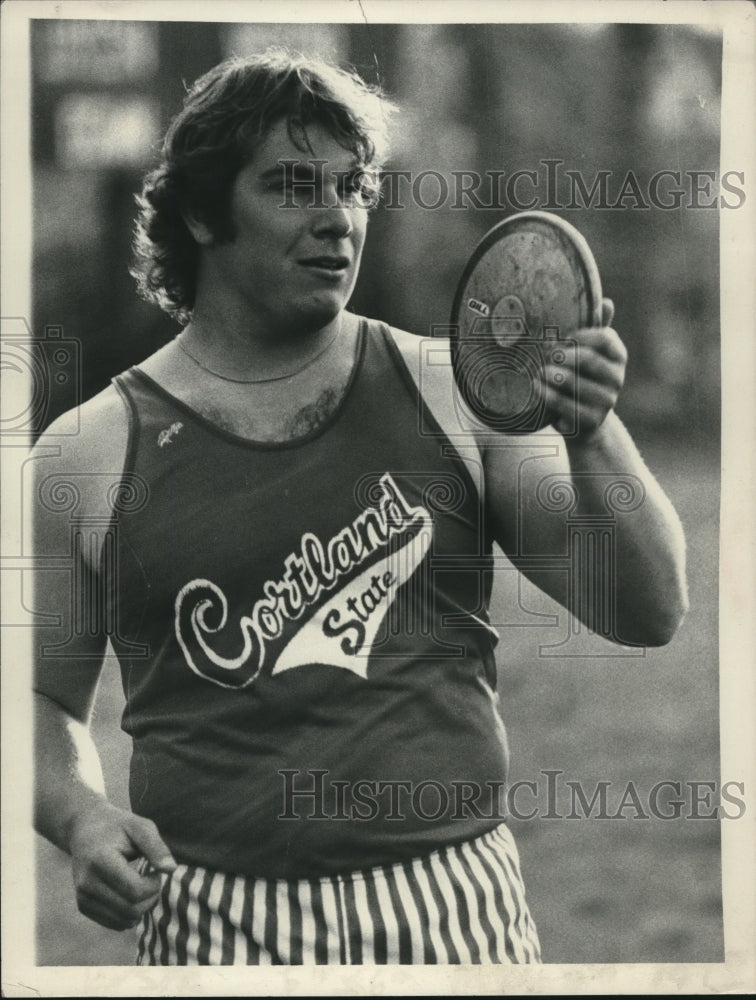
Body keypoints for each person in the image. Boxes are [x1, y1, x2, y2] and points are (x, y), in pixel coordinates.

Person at [32, 49, 688, 966]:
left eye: (353, 187)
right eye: (294, 187)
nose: (336, 218)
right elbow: (37, 700)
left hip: (454, 909)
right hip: (217, 925)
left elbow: (648, 609)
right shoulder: (85, 450)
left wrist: (592, 431)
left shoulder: (454, 390)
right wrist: (81, 815)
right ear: (198, 211)